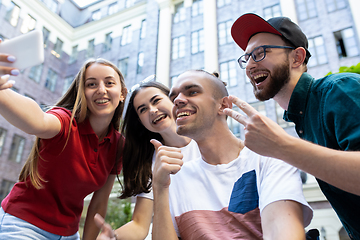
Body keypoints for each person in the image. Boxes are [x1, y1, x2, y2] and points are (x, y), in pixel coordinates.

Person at [227, 13, 360, 239]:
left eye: (259, 53)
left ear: (297, 58)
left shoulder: (339, 90)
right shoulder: (302, 119)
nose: (249, 65)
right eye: (246, 57)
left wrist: (280, 146)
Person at [151, 69, 313, 240]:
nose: (177, 101)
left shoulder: (270, 159)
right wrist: (159, 188)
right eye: (173, 97)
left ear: (223, 105)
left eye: (192, 92)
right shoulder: (174, 179)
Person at [0, 57, 127, 240]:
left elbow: (99, 203)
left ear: (122, 93)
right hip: (24, 224)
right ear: (82, 92)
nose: (101, 90)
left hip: (68, 234)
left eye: (109, 83)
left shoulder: (118, 145)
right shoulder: (65, 122)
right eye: (91, 84)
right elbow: (38, 120)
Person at [94, 80, 201, 240]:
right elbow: (139, 225)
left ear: (173, 99)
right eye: (143, 109)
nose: (152, 110)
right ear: (141, 122)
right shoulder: (151, 164)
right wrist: (113, 237)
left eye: (156, 100)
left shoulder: (206, 139)